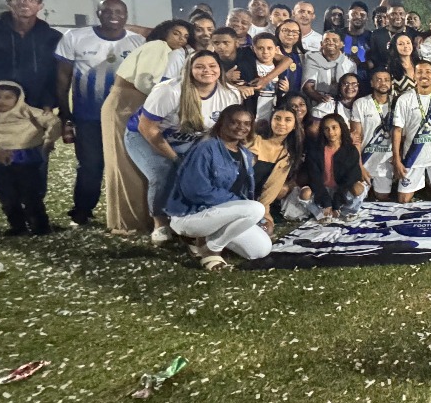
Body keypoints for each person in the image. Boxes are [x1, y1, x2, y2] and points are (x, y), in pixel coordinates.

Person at [0, 0, 62, 237]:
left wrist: (48, 102)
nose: (25, 2)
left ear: (40, 5)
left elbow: (55, 75)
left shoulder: (51, 37)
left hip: (30, 116)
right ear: (9, 3)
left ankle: (35, 220)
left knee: (35, 169)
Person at [125, 51, 242, 244]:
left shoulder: (230, 94)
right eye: (200, 66)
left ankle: (193, 216)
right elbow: (147, 127)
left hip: (191, 139)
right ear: (189, 69)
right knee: (163, 172)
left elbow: (222, 130)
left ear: (220, 69)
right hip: (145, 136)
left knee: (207, 170)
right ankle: (160, 224)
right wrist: (175, 158)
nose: (207, 70)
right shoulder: (169, 91)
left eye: (212, 66)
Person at [54, 0, 145, 227]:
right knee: (91, 165)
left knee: (128, 164)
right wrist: (65, 113)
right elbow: (63, 78)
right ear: (98, 13)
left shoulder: (138, 42)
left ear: (126, 15)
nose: (114, 15)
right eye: (108, 11)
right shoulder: (75, 37)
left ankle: (130, 211)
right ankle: (82, 210)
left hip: (124, 117)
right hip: (88, 116)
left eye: (119, 11)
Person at [101, 19, 194, 234]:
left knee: (138, 167)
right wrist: (163, 95)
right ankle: (126, 221)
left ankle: (142, 217)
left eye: (185, 36)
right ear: (164, 33)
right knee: (124, 165)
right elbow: (145, 80)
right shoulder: (157, 46)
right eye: (176, 33)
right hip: (127, 103)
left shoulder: (168, 51)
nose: (181, 39)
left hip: (136, 102)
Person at [165, 105, 273, 270]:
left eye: (246, 123)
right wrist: (240, 205)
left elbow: (243, 194)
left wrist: (255, 218)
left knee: (261, 249)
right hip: (192, 214)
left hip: (223, 214)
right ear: (222, 123)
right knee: (256, 208)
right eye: (235, 122)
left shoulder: (245, 154)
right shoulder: (206, 148)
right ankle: (212, 248)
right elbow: (195, 190)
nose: (241, 127)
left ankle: (205, 241)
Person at [0, 80, 61, 235]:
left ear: (18, 98)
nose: (1, 101)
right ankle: (18, 226)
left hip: (26, 160)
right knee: (7, 197)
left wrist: (48, 139)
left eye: (7, 97)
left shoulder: (28, 113)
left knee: (31, 194)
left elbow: (53, 122)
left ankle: (40, 225)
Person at [391, 61, 431, 203]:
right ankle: (421, 183)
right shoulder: (404, 99)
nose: (424, 75)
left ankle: (428, 185)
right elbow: (397, 130)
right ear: (414, 76)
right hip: (414, 155)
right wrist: (396, 159)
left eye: (428, 72)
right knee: (403, 200)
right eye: (419, 72)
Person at [298, 113, 367, 221]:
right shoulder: (315, 151)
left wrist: (337, 201)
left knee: (358, 188)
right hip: (322, 189)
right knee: (305, 193)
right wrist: (327, 202)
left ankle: (348, 211)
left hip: (341, 189)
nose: (330, 132)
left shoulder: (350, 150)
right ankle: (320, 214)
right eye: (326, 129)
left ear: (341, 128)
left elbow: (351, 178)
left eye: (334, 128)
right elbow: (314, 178)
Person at [251, 105, 301, 220]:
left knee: (267, 227)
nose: (281, 123)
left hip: (256, 201)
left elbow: (273, 187)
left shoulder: (287, 155)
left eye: (288, 120)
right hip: (234, 195)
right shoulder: (255, 140)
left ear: (294, 126)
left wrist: (265, 211)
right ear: (271, 121)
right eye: (277, 118)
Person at [357, 69, 396, 200]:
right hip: (366, 158)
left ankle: (374, 191)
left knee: (382, 196)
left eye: (386, 80)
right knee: (357, 195)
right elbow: (356, 138)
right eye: (378, 80)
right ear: (372, 83)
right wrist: (359, 165)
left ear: (391, 83)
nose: (383, 83)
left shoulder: (398, 102)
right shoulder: (361, 103)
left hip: (386, 161)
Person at [302, 31, 358, 119]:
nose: (331, 43)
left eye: (335, 40)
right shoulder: (312, 59)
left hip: (343, 107)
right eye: (327, 40)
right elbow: (307, 87)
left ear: (341, 44)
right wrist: (321, 99)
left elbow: (353, 88)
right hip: (317, 105)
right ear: (321, 44)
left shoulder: (349, 63)